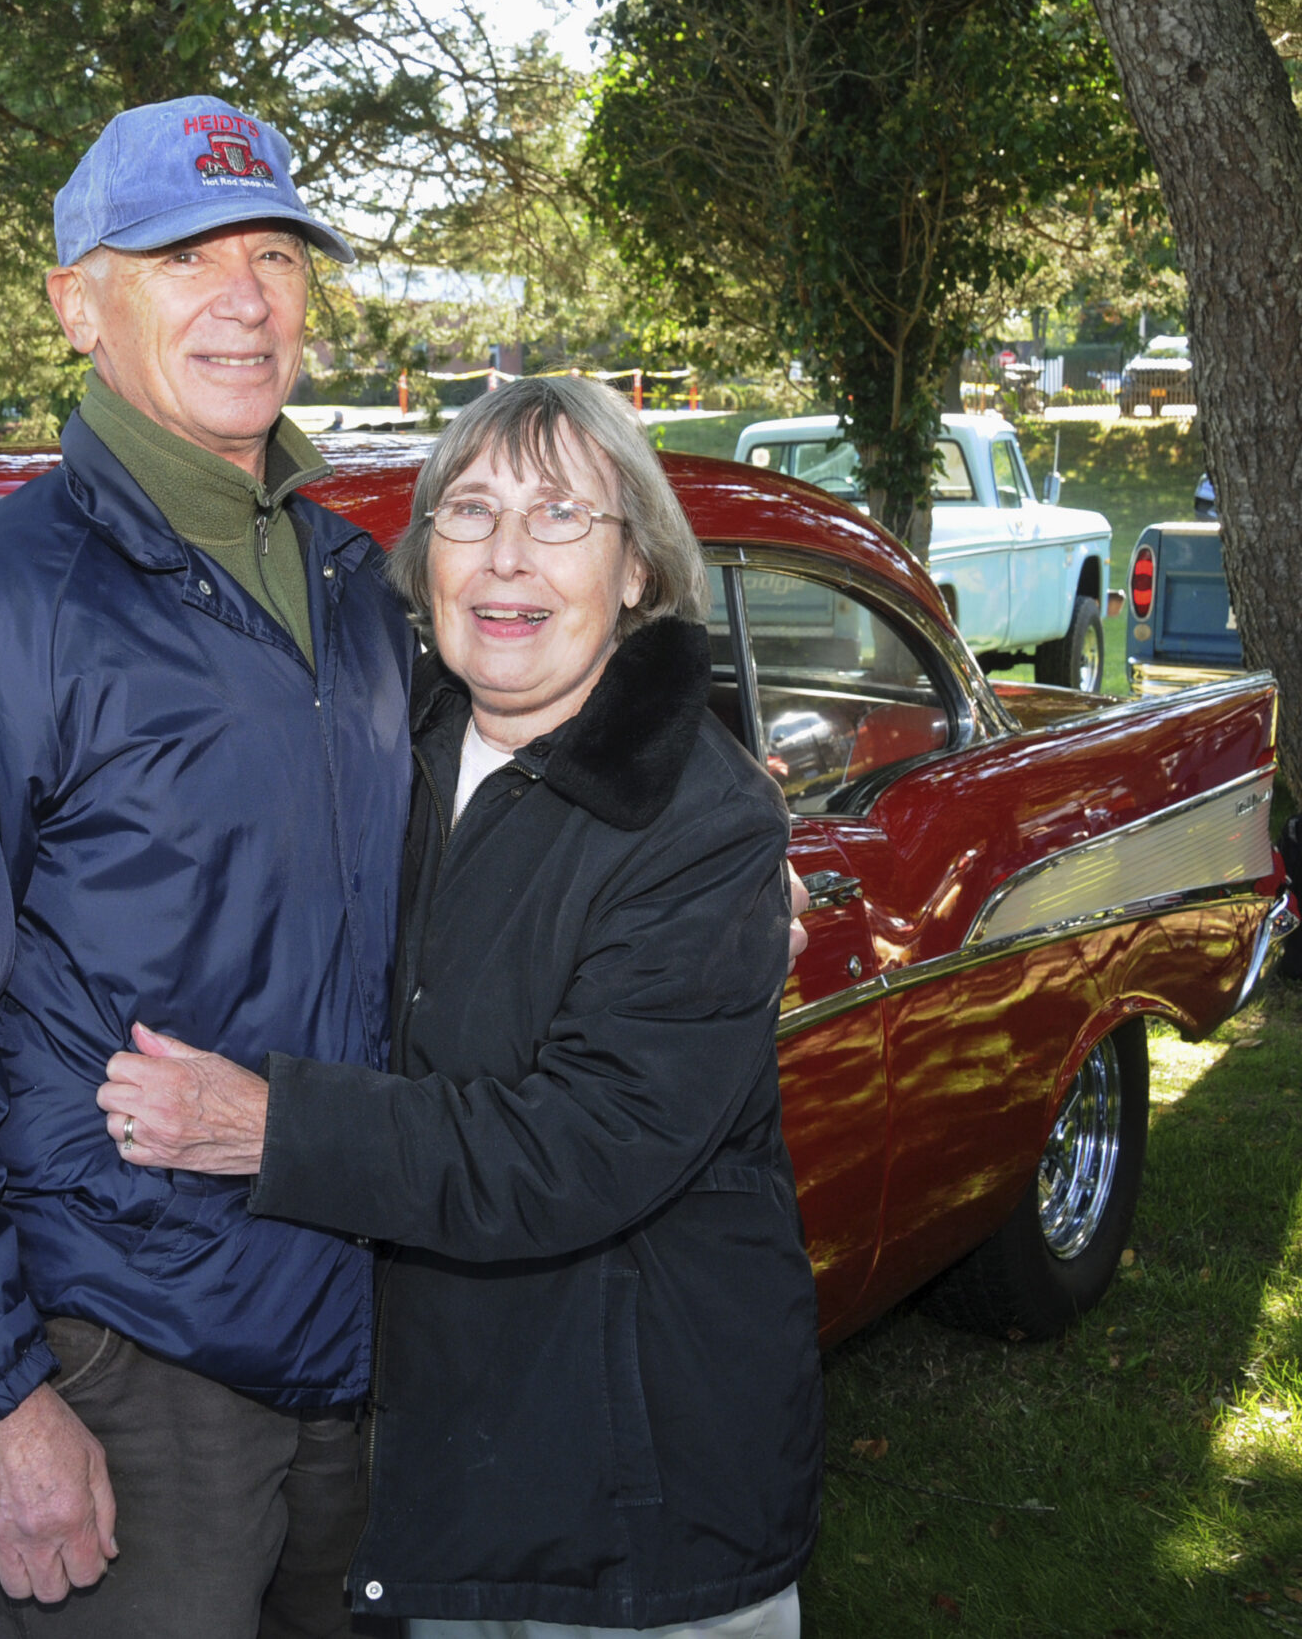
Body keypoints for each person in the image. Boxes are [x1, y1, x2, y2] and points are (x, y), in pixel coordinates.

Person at [0, 96, 409, 1638]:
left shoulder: (357, 584)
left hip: (366, 1335)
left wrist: (713, 822)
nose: (246, 296)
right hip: (130, 1375)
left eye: (275, 252)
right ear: (78, 302)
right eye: (183, 255)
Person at [101, 375, 825, 1637]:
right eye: (470, 510)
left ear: (639, 572)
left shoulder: (702, 822)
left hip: (631, 1508)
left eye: (558, 516)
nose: (503, 556)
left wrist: (272, 1127)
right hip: (450, 1473)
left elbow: (580, 1145)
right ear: (422, 557)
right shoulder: (395, 752)